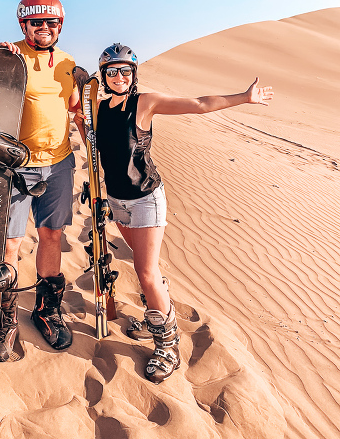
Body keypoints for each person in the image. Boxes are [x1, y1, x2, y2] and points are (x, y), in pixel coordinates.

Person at [93, 43, 274, 384]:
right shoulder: (97, 108)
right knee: (146, 268)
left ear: (134, 75)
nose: (120, 77)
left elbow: (199, 105)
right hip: (117, 201)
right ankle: (158, 314)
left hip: (147, 198)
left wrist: (243, 97)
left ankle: (168, 344)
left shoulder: (144, 103)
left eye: (126, 71)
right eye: (112, 72)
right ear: (104, 75)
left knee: (145, 272)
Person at [0, 0, 82, 360]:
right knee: (10, 243)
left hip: (59, 163)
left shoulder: (67, 63)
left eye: (52, 22)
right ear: (24, 25)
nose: (44, 28)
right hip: (16, 165)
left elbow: (76, 107)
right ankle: (5, 313)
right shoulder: (8, 56)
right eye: (37, 22)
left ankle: (47, 310)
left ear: (59, 26)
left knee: (52, 234)